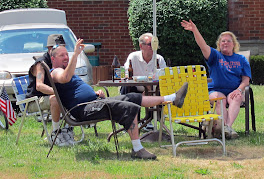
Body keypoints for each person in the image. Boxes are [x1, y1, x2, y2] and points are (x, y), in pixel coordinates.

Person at [50, 39, 188, 159]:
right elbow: (65, 78)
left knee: (133, 97)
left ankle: (173, 98)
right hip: (84, 109)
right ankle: (137, 148)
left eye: (66, 54)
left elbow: (76, 90)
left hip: (94, 102)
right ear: (53, 59)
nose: (66, 57)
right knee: (128, 107)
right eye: (62, 55)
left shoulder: (67, 70)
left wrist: (94, 93)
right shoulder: (56, 72)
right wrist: (75, 54)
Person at [181, 19, 251, 139]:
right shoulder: (214, 56)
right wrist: (194, 30)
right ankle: (225, 129)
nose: (225, 43)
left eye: (228, 41)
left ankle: (226, 127)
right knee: (220, 99)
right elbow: (202, 45)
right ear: (219, 44)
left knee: (237, 97)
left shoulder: (241, 59)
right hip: (215, 90)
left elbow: (246, 79)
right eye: (222, 41)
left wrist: (239, 90)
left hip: (233, 90)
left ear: (233, 44)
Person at [26, 34, 73, 146]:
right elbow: (39, 86)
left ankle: (68, 130)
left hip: (55, 96)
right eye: (55, 47)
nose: (59, 50)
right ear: (49, 48)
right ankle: (55, 133)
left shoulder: (62, 61)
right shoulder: (41, 64)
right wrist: (57, 92)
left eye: (62, 47)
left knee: (72, 95)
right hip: (35, 100)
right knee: (55, 98)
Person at [121, 33, 167, 130]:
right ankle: (129, 122)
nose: (153, 47)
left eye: (154, 44)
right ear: (141, 46)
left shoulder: (159, 59)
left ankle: (150, 120)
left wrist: (149, 88)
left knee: (161, 91)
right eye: (150, 44)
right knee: (126, 89)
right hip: (136, 88)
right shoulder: (133, 57)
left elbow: (165, 77)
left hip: (154, 89)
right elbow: (126, 75)